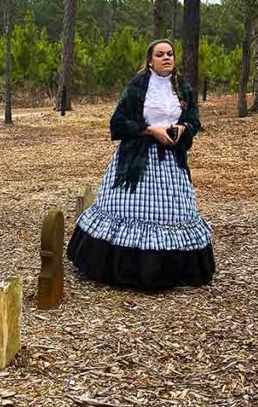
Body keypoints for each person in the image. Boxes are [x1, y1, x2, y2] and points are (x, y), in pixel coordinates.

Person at [67, 39, 215, 289]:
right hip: (136, 161)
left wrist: (182, 129)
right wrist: (149, 130)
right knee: (126, 208)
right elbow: (118, 123)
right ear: (150, 60)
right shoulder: (138, 86)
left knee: (174, 212)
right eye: (160, 54)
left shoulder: (183, 88)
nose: (166, 58)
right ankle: (125, 271)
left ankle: (167, 272)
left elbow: (193, 121)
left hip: (170, 162)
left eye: (170, 54)